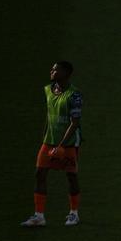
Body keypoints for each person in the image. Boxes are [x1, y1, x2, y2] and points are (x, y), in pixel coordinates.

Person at [21, 61, 83, 227]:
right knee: (40, 174)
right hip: (49, 142)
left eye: (56, 69)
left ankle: (73, 214)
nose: (52, 71)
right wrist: (45, 139)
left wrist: (61, 145)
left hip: (68, 143)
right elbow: (49, 117)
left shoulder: (74, 94)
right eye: (53, 68)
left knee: (71, 176)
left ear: (66, 73)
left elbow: (75, 122)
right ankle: (39, 216)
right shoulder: (48, 90)